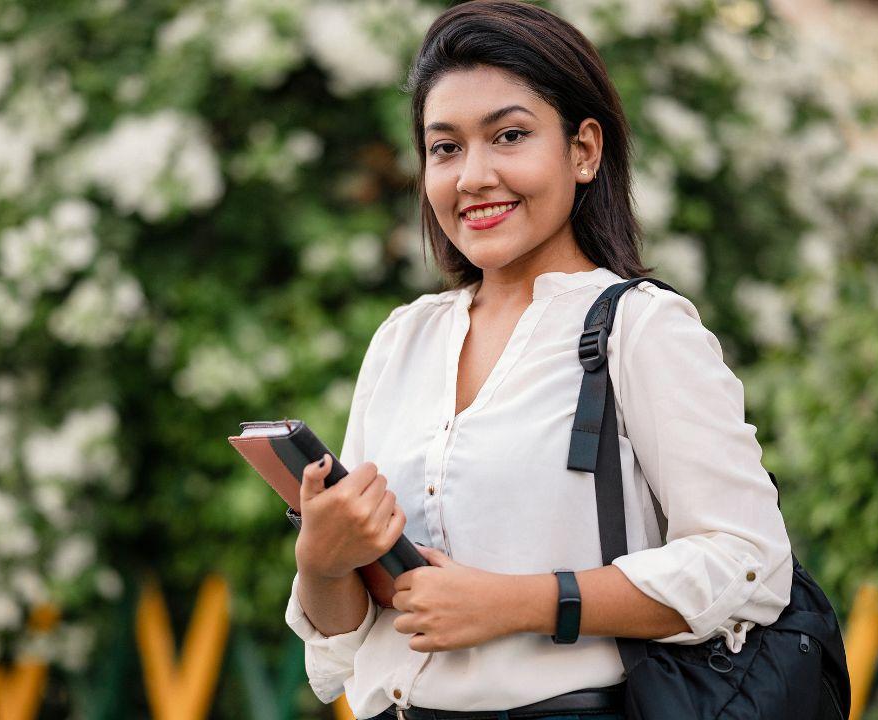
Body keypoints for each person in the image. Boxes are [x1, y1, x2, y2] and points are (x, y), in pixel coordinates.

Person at [285, 2, 792, 718]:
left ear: (584, 150)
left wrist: (521, 603)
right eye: (445, 148)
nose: (473, 177)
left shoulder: (639, 328)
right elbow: (348, 643)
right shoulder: (403, 342)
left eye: (510, 136)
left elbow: (748, 562)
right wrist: (323, 559)